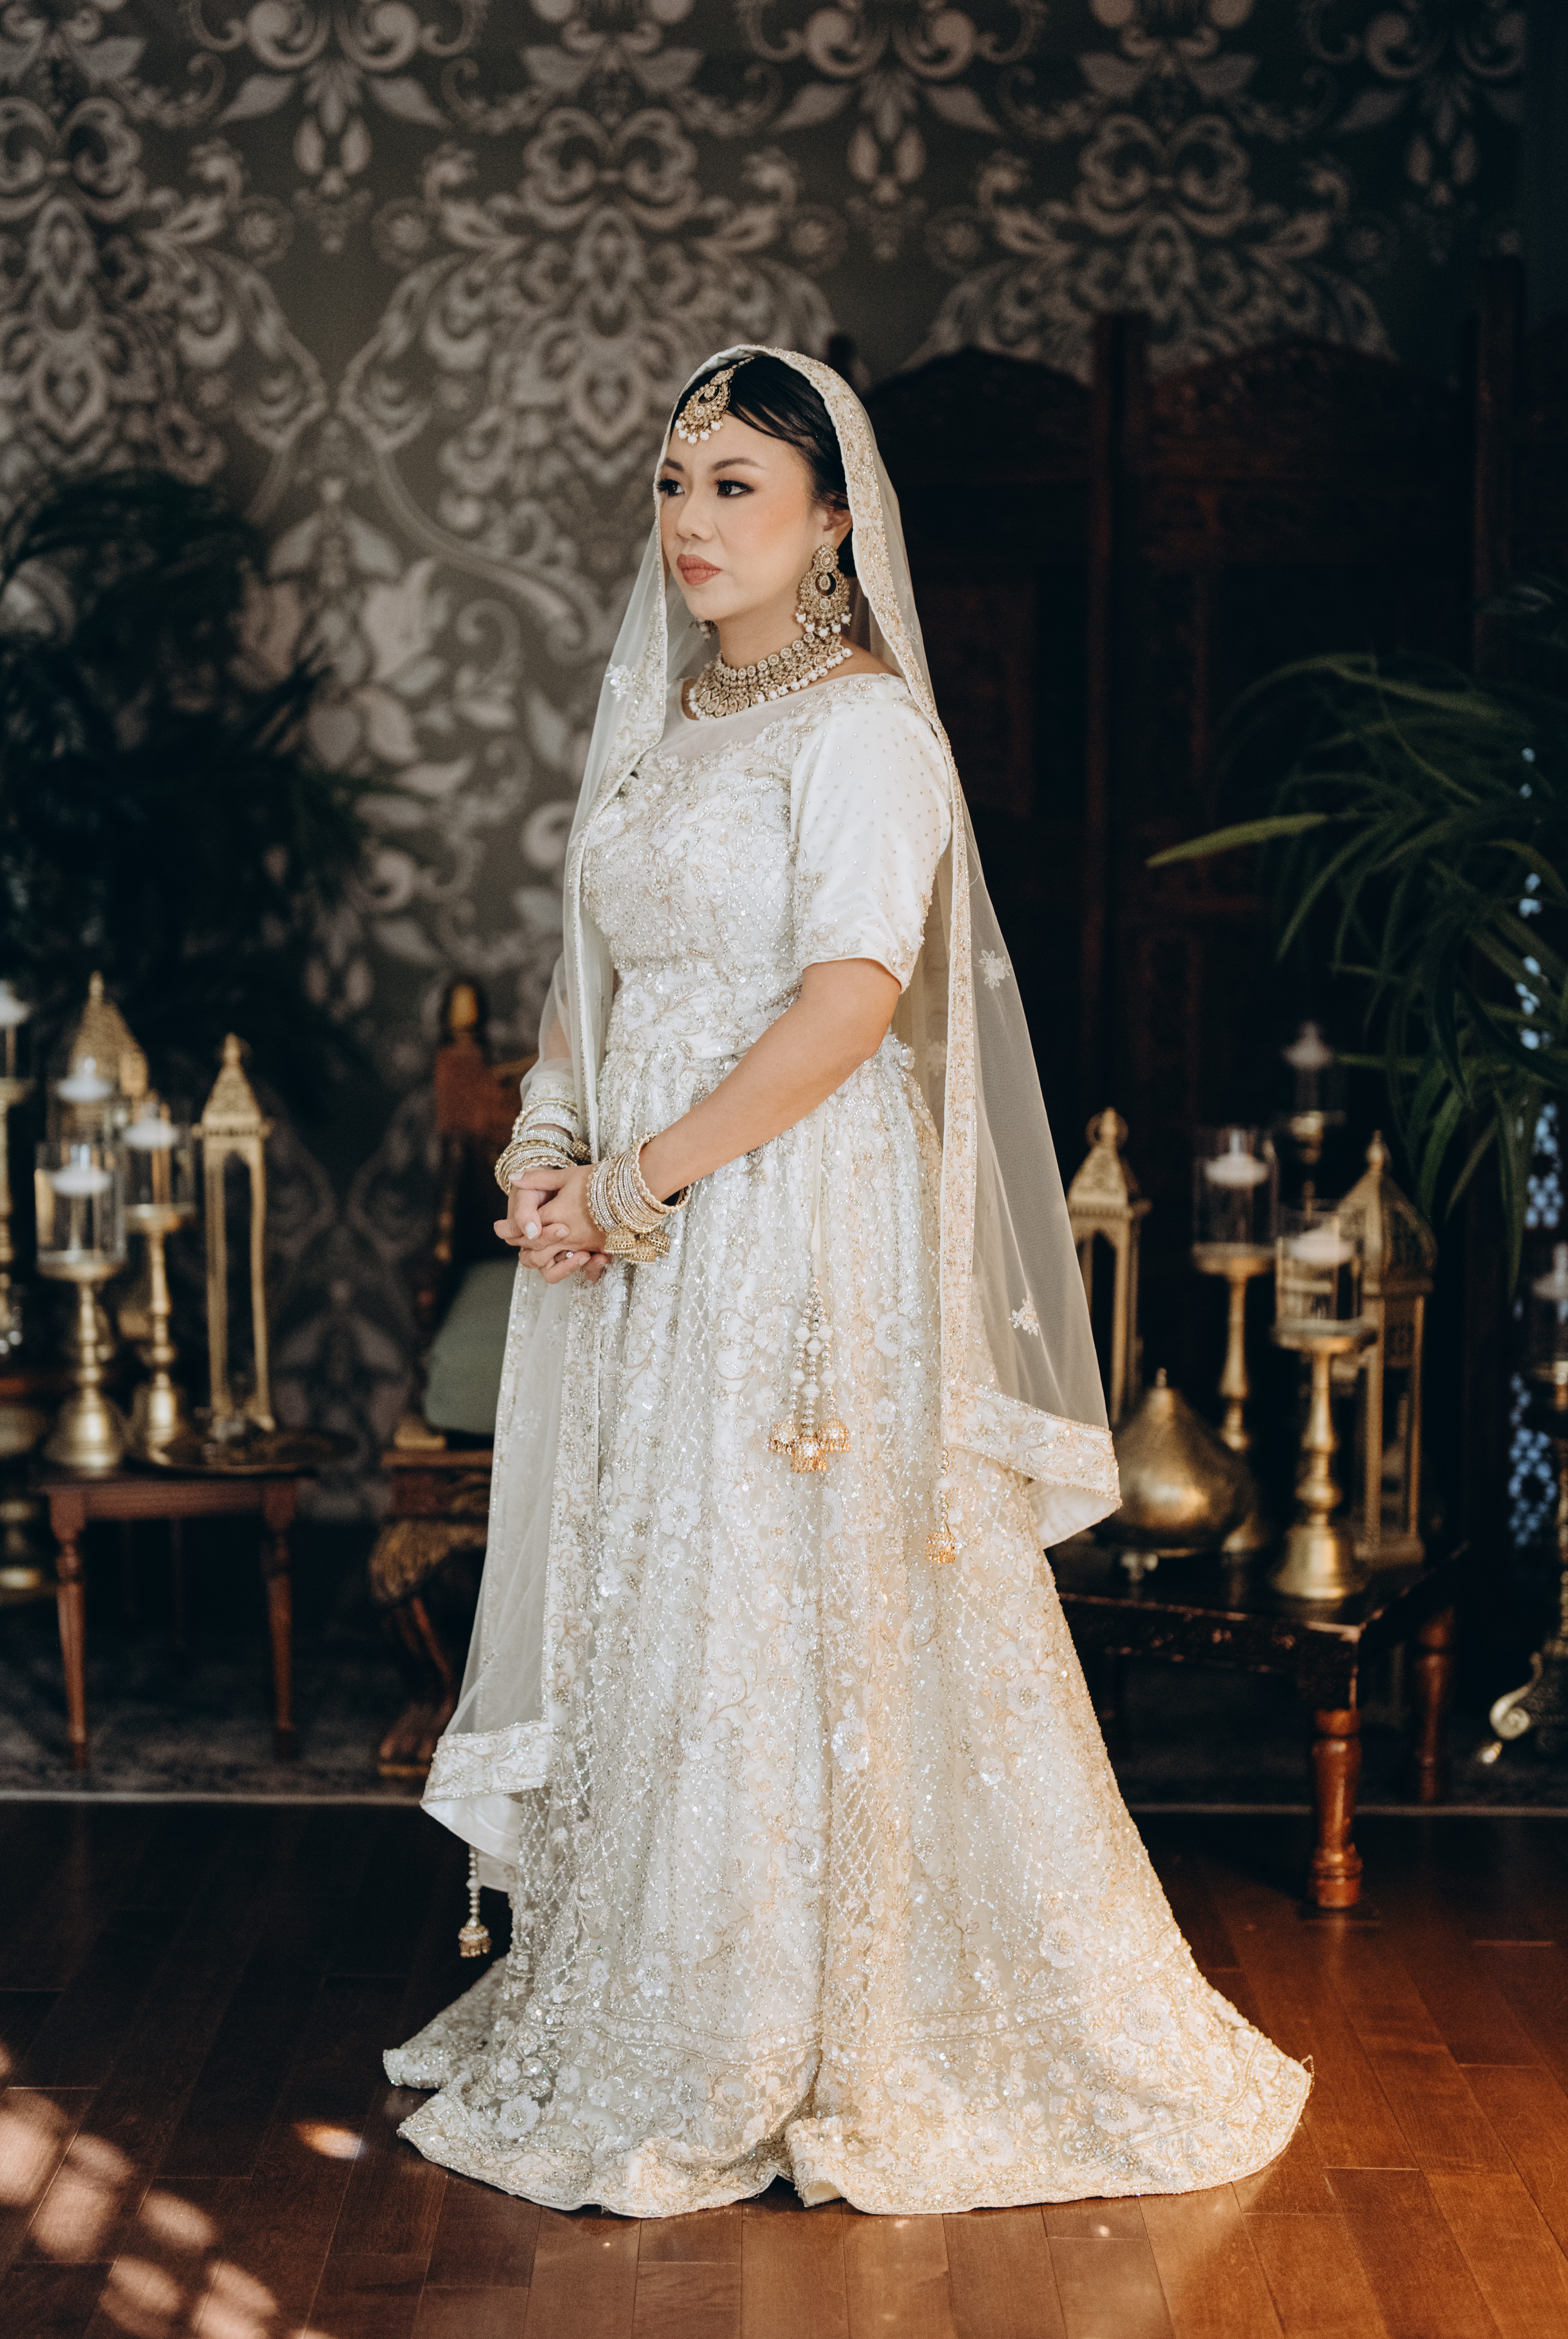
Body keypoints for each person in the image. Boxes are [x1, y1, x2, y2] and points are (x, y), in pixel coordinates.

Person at [385, 347, 1308, 2216]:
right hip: (645, 1222)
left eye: (736, 485)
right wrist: (545, 1150)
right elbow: (589, 977)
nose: (692, 520)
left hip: (791, 1215)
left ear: (830, 520)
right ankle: (662, 1991)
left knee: (785, 1577)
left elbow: (849, 1005)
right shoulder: (667, 724)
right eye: (674, 483)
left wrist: (635, 1179)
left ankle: (811, 2019)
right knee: (665, 1581)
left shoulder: (864, 731)